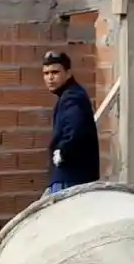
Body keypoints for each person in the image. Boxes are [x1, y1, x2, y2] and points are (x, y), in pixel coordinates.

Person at [42, 51, 100, 196]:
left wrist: (63, 151)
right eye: (46, 73)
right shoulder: (69, 95)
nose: (50, 78)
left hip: (71, 176)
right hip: (73, 176)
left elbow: (76, 127)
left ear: (68, 73)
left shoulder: (72, 97)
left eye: (55, 72)